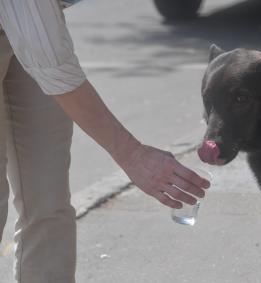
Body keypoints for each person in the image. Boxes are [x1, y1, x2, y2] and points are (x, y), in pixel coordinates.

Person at [0, 1, 210, 282]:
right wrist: (133, 155)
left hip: (27, 22)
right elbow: (53, 65)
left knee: (49, 202)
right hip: (29, 19)